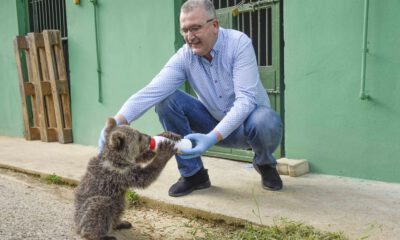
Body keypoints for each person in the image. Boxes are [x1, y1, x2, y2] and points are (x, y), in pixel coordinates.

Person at [99, 0, 283, 197]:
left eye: (195, 28)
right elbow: (152, 91)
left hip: (249, 128)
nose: (190, 37)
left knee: (265, 120)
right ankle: (194, 175)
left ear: (214, 25)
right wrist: (117, 122)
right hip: (211, 123)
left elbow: (246, 100)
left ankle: (265, 164)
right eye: (185, 30)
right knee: (166, 100)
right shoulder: (184, 57)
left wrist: (212, 138)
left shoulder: (238, 44)